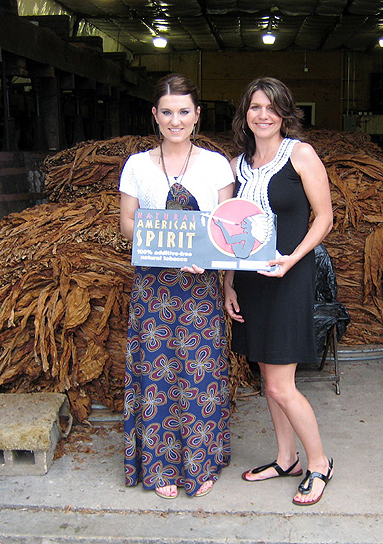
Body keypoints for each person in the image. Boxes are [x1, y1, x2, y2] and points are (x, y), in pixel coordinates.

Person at [119, 73, 235, 499]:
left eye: (184, 111)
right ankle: (160, 465)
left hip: (201, 287)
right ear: (155, 114)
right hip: (153, 287)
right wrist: (169, 251)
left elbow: (227, 230)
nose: (175, 120)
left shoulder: (216, 165)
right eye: (167, 112)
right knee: (158, 375)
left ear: (197, 115)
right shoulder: (136, 165)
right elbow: (127, 224)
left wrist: (219, 276)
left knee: (201, 374)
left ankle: (201, 464)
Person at [223, 77, 335, 506]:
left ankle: (320, 462)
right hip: (251, 280)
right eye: (254, 107)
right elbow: (227, 230)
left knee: (281, 385)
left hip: (288, 278)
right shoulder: (237, 166)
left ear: (286, 113)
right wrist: (229, 283)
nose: (263, 114)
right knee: (268, 379)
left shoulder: (300, 155)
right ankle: (286, 458)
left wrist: (293, 257)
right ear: (245, 115)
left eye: (272, 107)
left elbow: (324, 218)